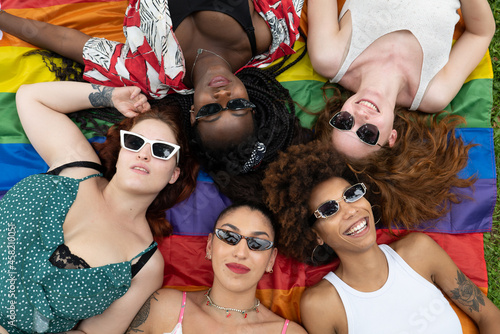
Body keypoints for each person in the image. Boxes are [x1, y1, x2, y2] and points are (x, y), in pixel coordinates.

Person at [0, 0, 305, 165]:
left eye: (212, 111)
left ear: (192, 114)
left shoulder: (150, 76)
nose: (222, 94)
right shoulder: (269, 35)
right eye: (237, 105)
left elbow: (68, 40)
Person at [0, 81, 196, 333]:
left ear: (174, 174)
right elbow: (31, 97)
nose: (144, 154)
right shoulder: (76, 165)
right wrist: (111, 96)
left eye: (162, 150)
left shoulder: (145, 264)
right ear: (122, 150)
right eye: (135, 142)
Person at [262, 142, 500, 333]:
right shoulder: (322, 305)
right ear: (316, 235)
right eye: (329, 210)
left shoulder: (419, 251)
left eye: (352, 194)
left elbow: (489, 316)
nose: (350, 210)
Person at [306, 0, 495, 159]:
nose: (361, 117)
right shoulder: (434, 93)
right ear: (391, 137)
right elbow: (480, 33)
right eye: (368, 134)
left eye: (344, 123)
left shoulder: (328, 58)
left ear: (336, 114)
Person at [124, 202, 307, 334]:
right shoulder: (165, 307)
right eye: (229, 237)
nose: (241, 253)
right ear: (210, 246)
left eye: (257, 244)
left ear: (271, 259)